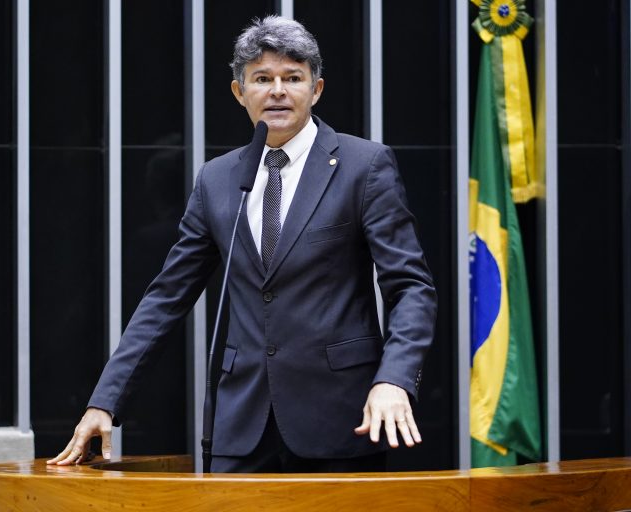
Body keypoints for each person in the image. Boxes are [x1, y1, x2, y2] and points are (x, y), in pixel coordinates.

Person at [47, 15, 437, 473]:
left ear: (316, 90)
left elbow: (411, 286)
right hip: (240, 424)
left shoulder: (363, 165)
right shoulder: (218, 179)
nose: (277, 91)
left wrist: (393, 380)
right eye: (262, 79)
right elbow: (166, 297)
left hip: (340, 419)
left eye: (293, 78)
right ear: (239, 92)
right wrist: (106, 402)